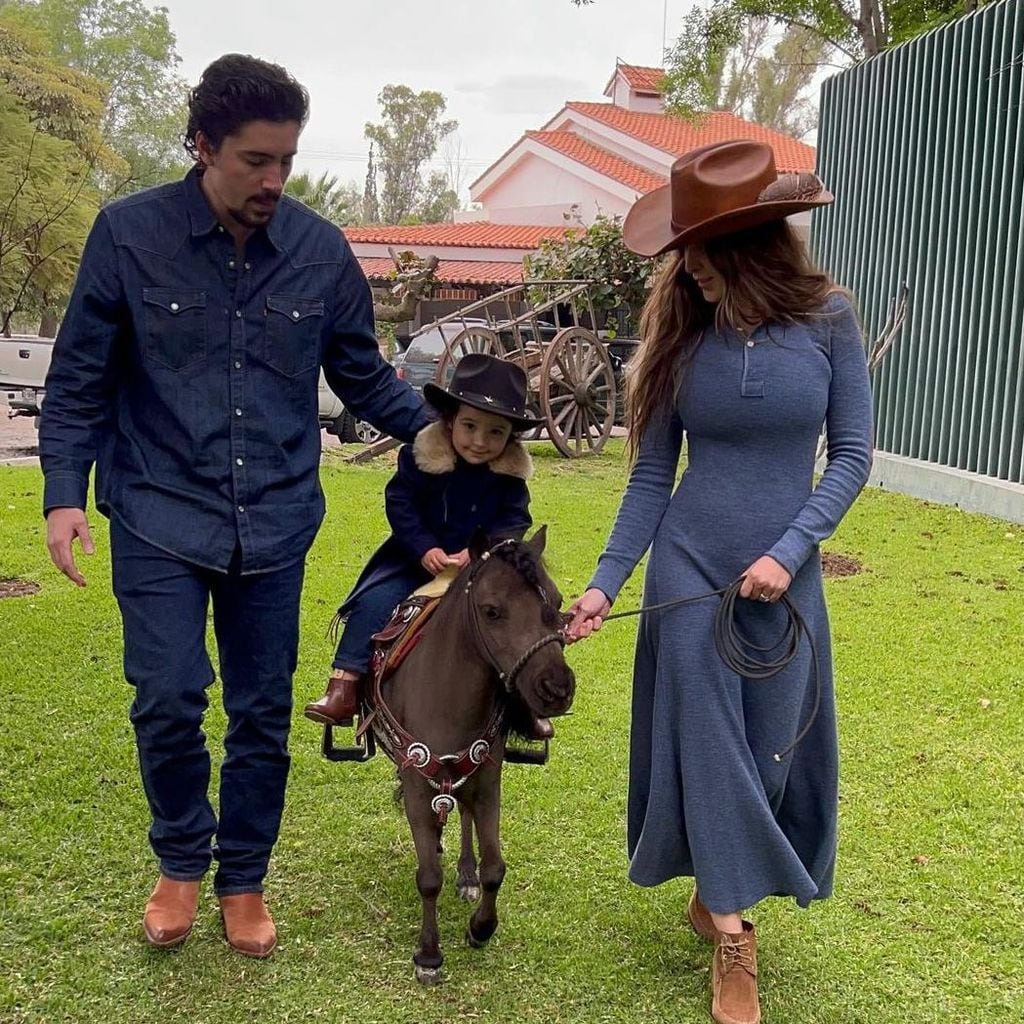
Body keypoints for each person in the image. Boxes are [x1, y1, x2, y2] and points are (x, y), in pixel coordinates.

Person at [38, 54, 429, 959]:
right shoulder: (128, 236)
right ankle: (181, 860)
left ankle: (243, 877)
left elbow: (362, 375)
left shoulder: (320, 251)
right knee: (168, 696)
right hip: (156, 508)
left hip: (279, 514)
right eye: (255, 160)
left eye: (286, 161)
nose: (273, 181)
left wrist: (450, 436)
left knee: (260, 710)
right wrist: (64, 495)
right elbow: (79, 381)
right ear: (203, 145)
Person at [566, 140, 874, 1024]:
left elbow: (851, 458)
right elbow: (650, 478)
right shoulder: (681, 333)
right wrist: (603, 583)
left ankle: (718, 890)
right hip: (689, 572)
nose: (683, 266)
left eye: (695, 248)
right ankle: (734, 940)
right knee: (711, 746)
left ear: (745, 244)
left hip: (783, 576)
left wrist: (792, 549)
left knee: (771, 751)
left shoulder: (828, 323)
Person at [303, 353, 548, 736]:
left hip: (483, 569)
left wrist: (479, 555)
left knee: (522, 618)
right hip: (416, 560)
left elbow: (515, 522)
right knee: (373, 603)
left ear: (511, 437)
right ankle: (345, 684)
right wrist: (424, 548)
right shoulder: (419, 458)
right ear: (449, 421)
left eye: (496, 432)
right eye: (470, 426)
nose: (480, 442)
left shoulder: (508, 478)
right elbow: (401, 504)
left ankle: (525, 705)